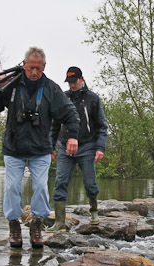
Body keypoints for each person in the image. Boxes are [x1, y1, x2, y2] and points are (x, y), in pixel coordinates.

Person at [0, 47, 80, 248]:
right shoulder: (12, 85)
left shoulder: (51, 89)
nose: (34, 72)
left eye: (38, 68)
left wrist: (73, 137)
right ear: (23, 65)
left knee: (40, 188)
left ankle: (37, 224)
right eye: (30, 68)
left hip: (40, 149)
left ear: (44, 67)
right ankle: (14, 225)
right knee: (11, 188)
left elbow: (70, 114)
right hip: (13, 148)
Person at [47, 66, 108, 233]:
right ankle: (60, 222)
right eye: (69, 82)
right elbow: (55, 125)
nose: (71, 85)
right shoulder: (63, 98)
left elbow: (102, 126)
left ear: (82, 79)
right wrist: (51, 146)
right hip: (64, 147)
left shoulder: (93, 99)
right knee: (60, 182)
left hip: (87, 146)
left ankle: (94, 213)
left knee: (90, 183)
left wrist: (100, 147)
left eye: (74, 82)